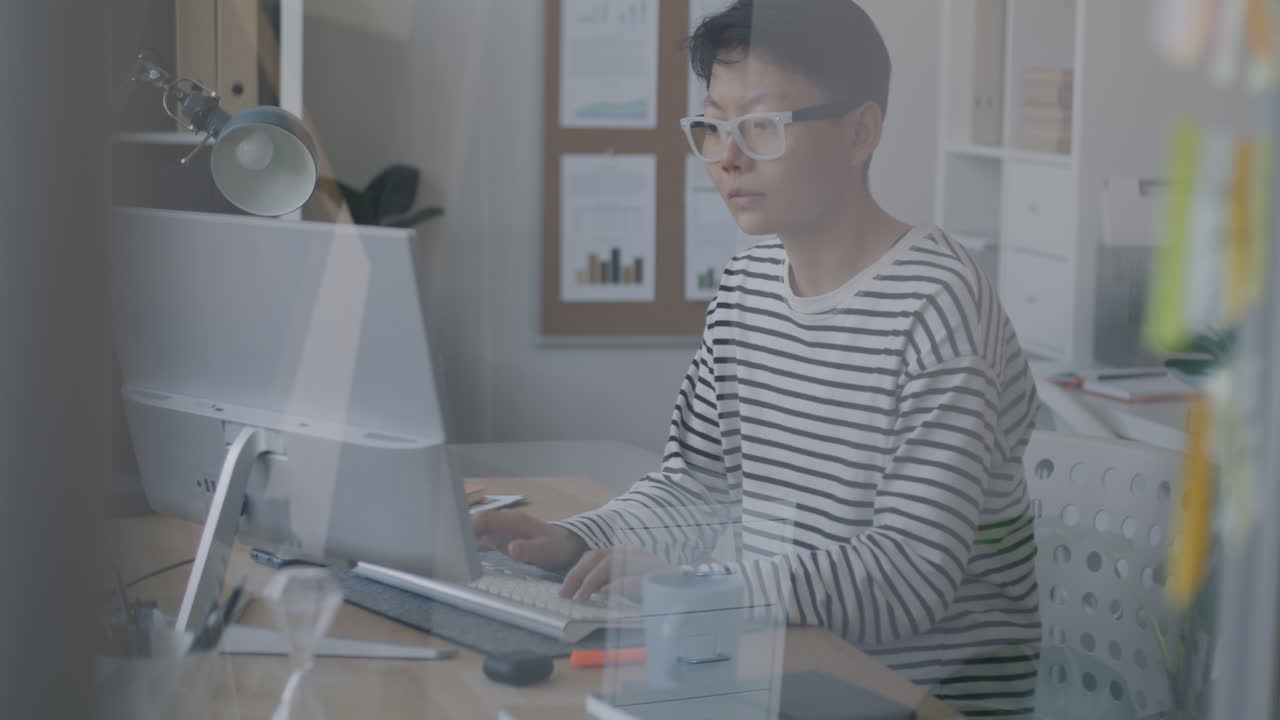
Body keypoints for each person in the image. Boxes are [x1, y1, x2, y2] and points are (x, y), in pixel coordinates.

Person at [475, 1, 1040, 715]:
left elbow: (908, 577)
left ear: (860, 131)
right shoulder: (746, 285)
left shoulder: (938, 304)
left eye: (764, 126)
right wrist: (572, 538)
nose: (728, 156)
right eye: (714, 126)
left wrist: (706, 588)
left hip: (916, 696)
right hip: (779, 663)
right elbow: (695, 482)